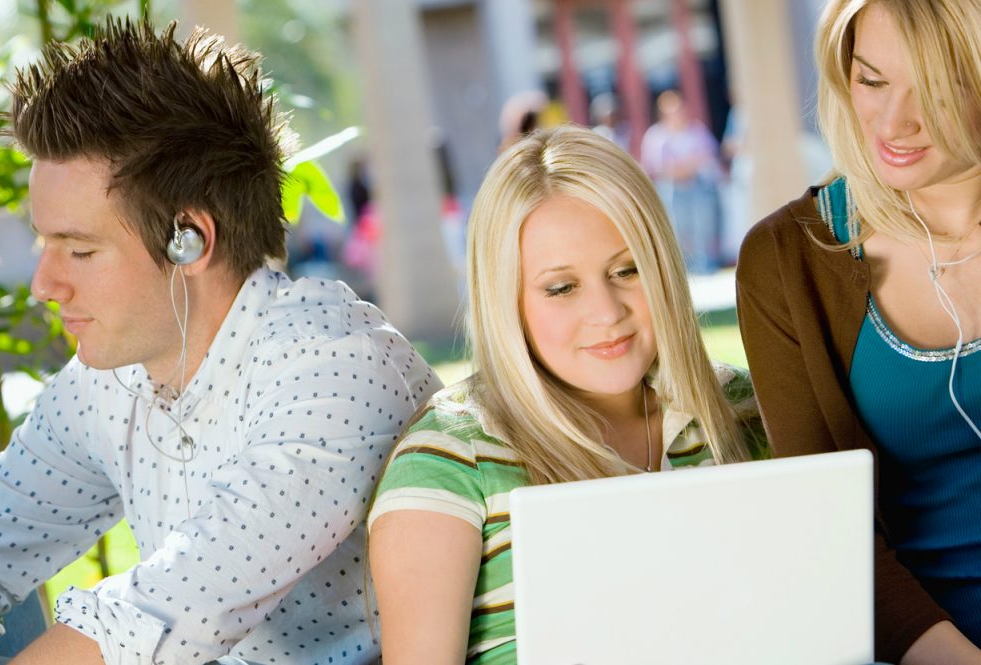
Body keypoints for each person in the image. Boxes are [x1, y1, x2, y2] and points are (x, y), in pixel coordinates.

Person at [0, 18, 440, 665]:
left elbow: (162, 614)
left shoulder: (336, 367)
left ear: (188, 240)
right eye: (46, 244)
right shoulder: (114, 379)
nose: (45, 285)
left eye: (79, 250)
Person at [368, 125, 768, 664]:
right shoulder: (448, 462)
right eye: (562, 287)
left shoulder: (740, 408)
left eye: (627, 270)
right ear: (507, 300)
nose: (606, 313)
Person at [736, 1, 981, 663]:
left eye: (935, 90)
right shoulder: (787, 261)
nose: (893, 123)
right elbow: (832, 534)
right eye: (872, 80)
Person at [640, 89, 722, 274]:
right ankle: (686, 269)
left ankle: (706, 266)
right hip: (671, 189)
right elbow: (655, 166)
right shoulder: (655, 135)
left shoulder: (696, 130)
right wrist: (684, 166)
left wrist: (684, 167)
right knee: (679, 228)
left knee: (703, 226)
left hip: (697, 186)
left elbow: (707, 155)